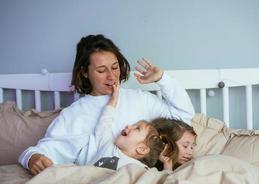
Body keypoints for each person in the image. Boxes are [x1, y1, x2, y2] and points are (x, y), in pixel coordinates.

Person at [18, 34, 195, 175]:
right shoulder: (75, 113)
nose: (111, 76)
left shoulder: (141, 99)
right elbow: (46, 151)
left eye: (115, 67)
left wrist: (163, 80)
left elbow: (183, 117)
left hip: (138, 178)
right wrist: (32, 157)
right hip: (98, 179)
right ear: (85, 73)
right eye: (101, 70)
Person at [88, 82, 165, 170]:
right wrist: (114, 99)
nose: (128, 126)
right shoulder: (107, 145)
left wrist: (167, 167)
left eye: (137, 128)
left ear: (141, 149)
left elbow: (160, 180)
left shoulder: (140, 169)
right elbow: (104, 123)